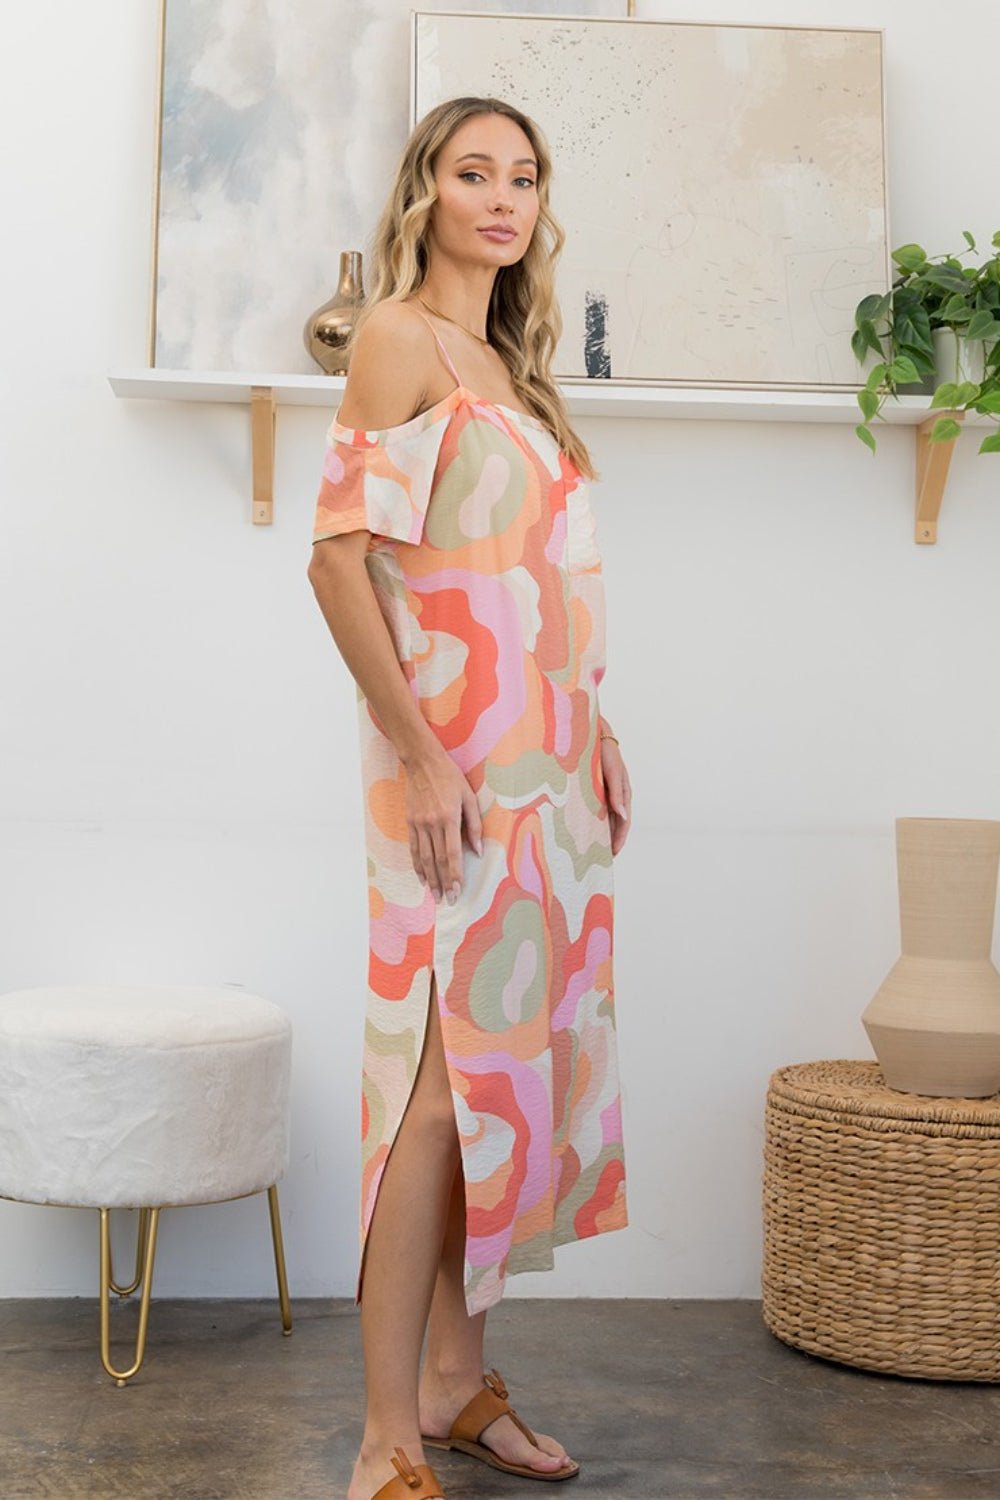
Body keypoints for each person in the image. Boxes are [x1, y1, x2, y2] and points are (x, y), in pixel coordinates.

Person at [307, 95, 632, 1500]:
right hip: (447, 774)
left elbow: (527, 579)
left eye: (524, 176)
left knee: (501, 1080)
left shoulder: (513, 367)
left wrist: (597, 725)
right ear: (424, 192)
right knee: (433, 1097)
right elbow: (337, 561)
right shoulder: (395, 339)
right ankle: (385, 1431)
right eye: (473, 172)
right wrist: (424, 755)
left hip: (545, 777)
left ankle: (456, 1380)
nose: (502, 197)